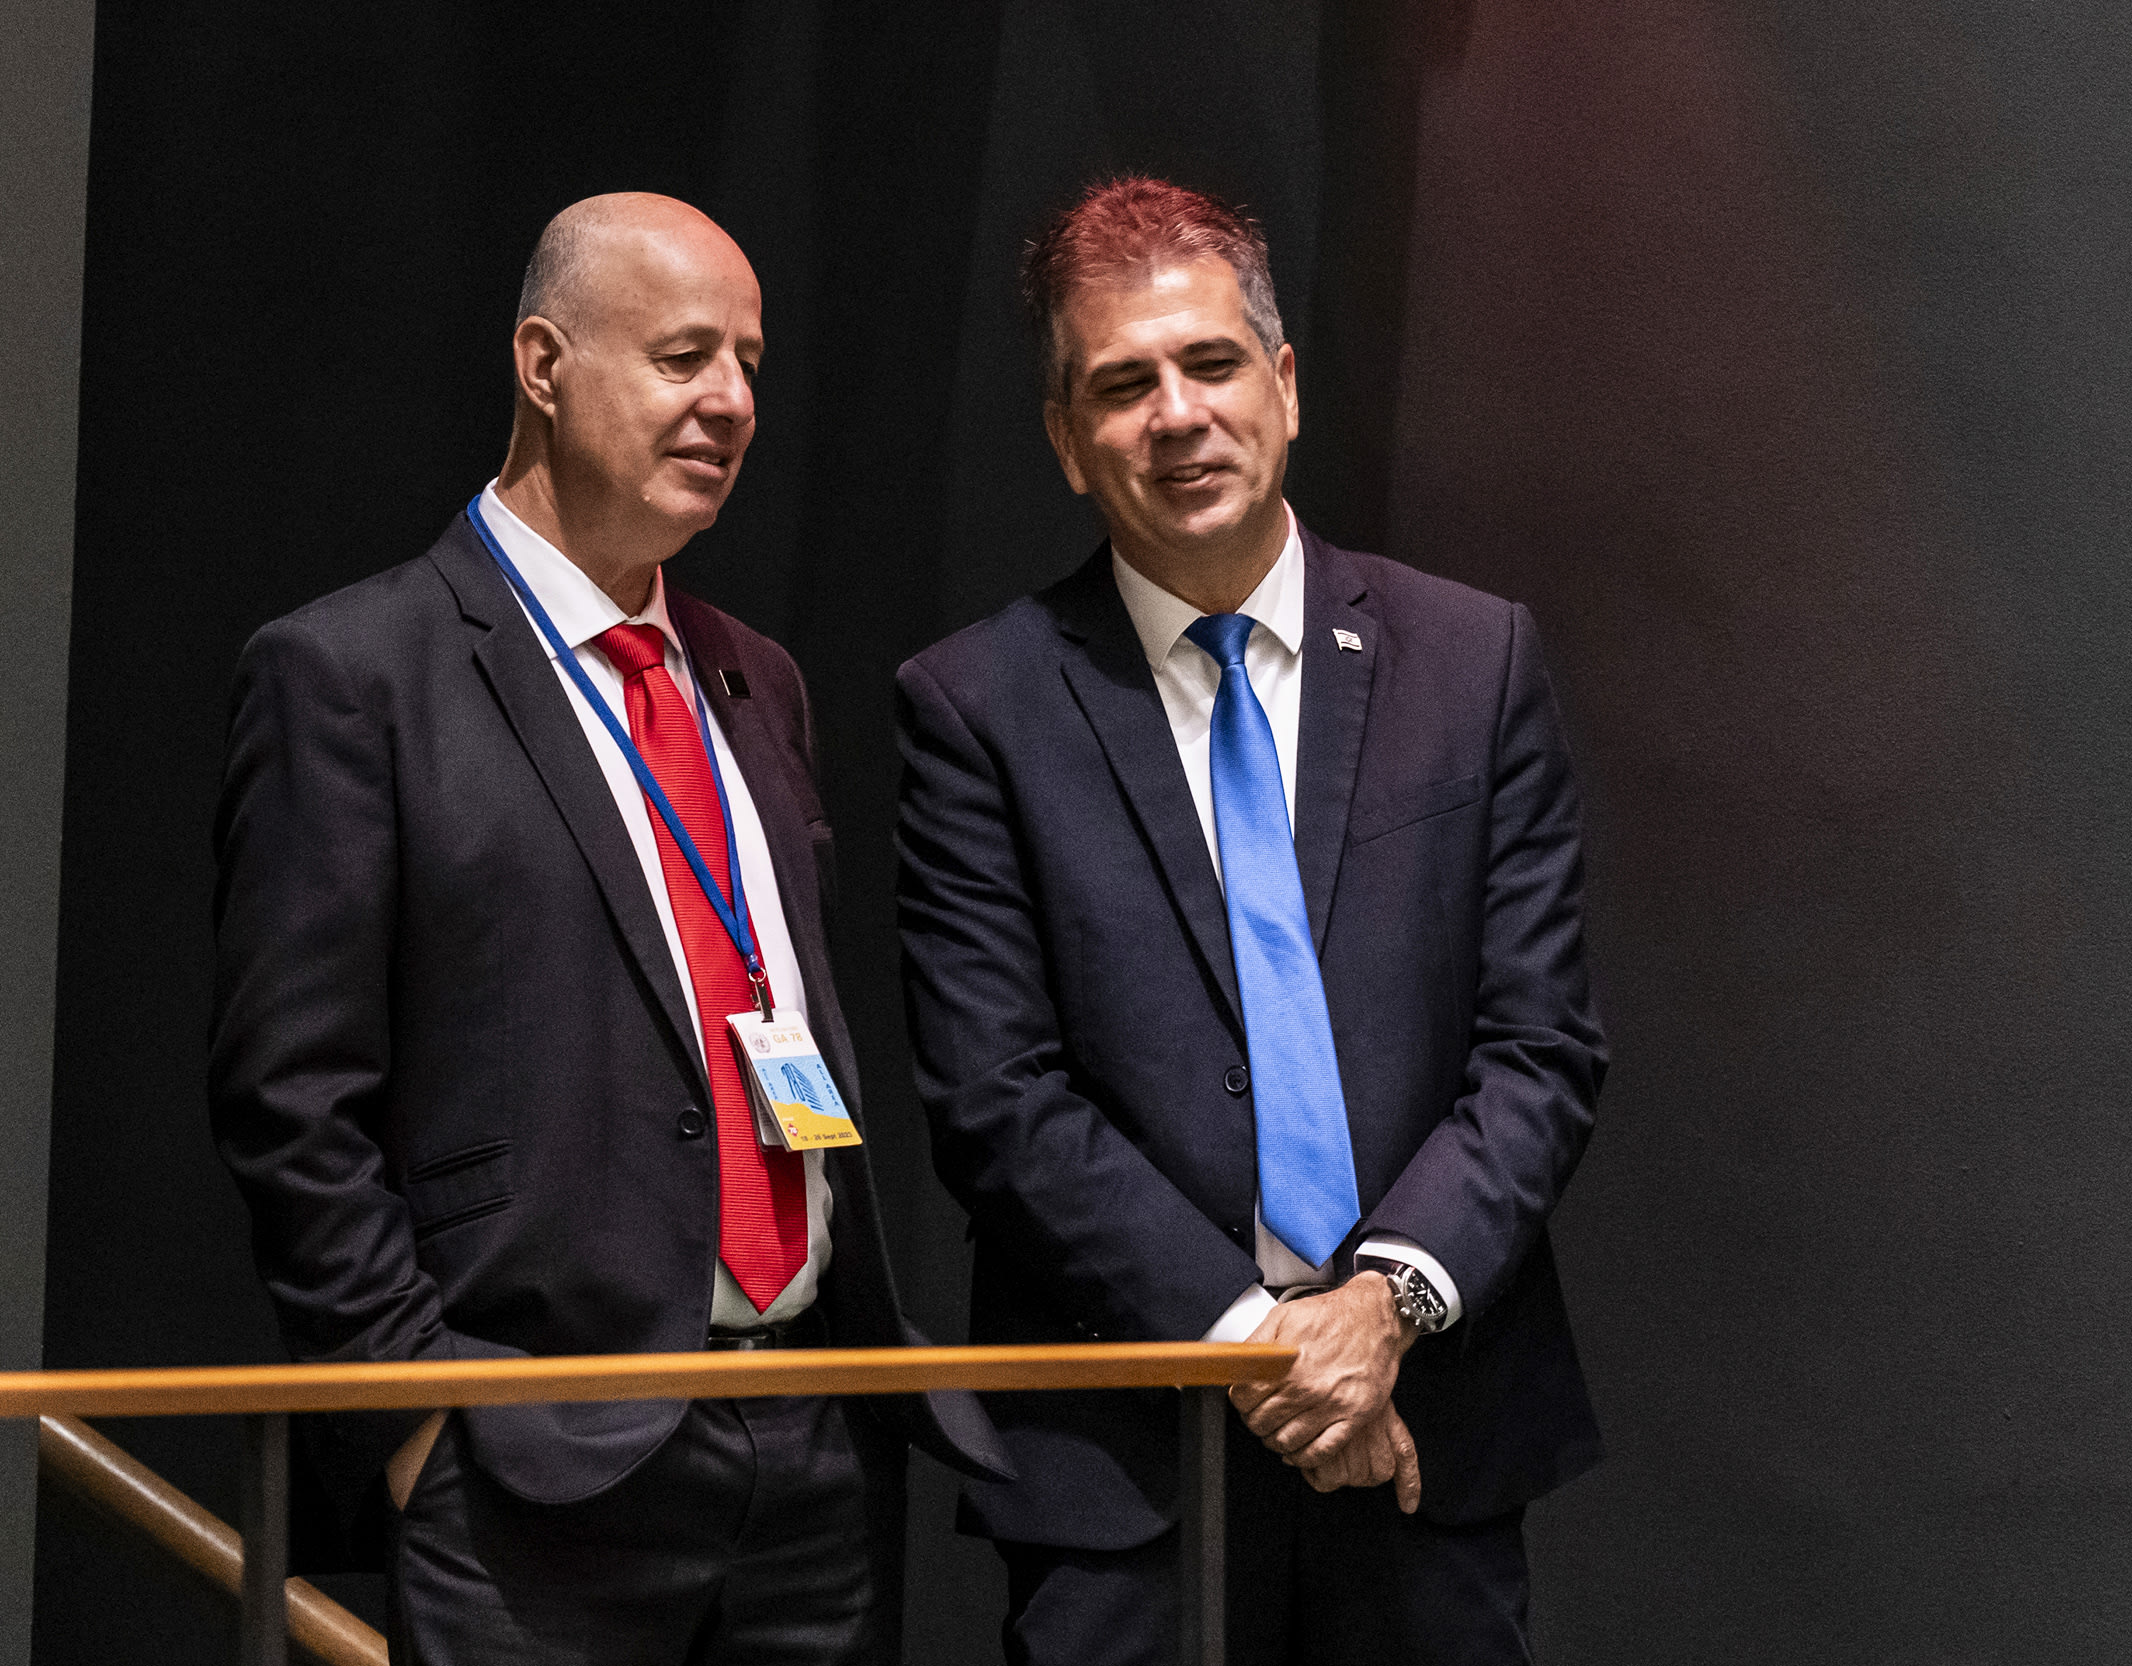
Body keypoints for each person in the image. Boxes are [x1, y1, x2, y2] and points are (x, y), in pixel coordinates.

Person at [210, 191, 1005, 1666]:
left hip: (813, 1446)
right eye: (685, 355)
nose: (733, 401)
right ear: (542, 362)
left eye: (750, 364)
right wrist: (415, 1417)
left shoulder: (755, 679)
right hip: (533, 1462)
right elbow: (288, 1098)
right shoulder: (352, 674)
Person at [895, 176, 1607, 1665]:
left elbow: (1538, 1047)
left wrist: (1383, 1306)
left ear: (1281, 387)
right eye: (1121, 383)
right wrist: (1258, 1343)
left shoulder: (1472, 661)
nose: (1176, 412)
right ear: (1065, 442)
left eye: (1211, 364)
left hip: (1431, 1429)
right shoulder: (976, 707)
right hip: (1126, 1474)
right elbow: (996, 1099)